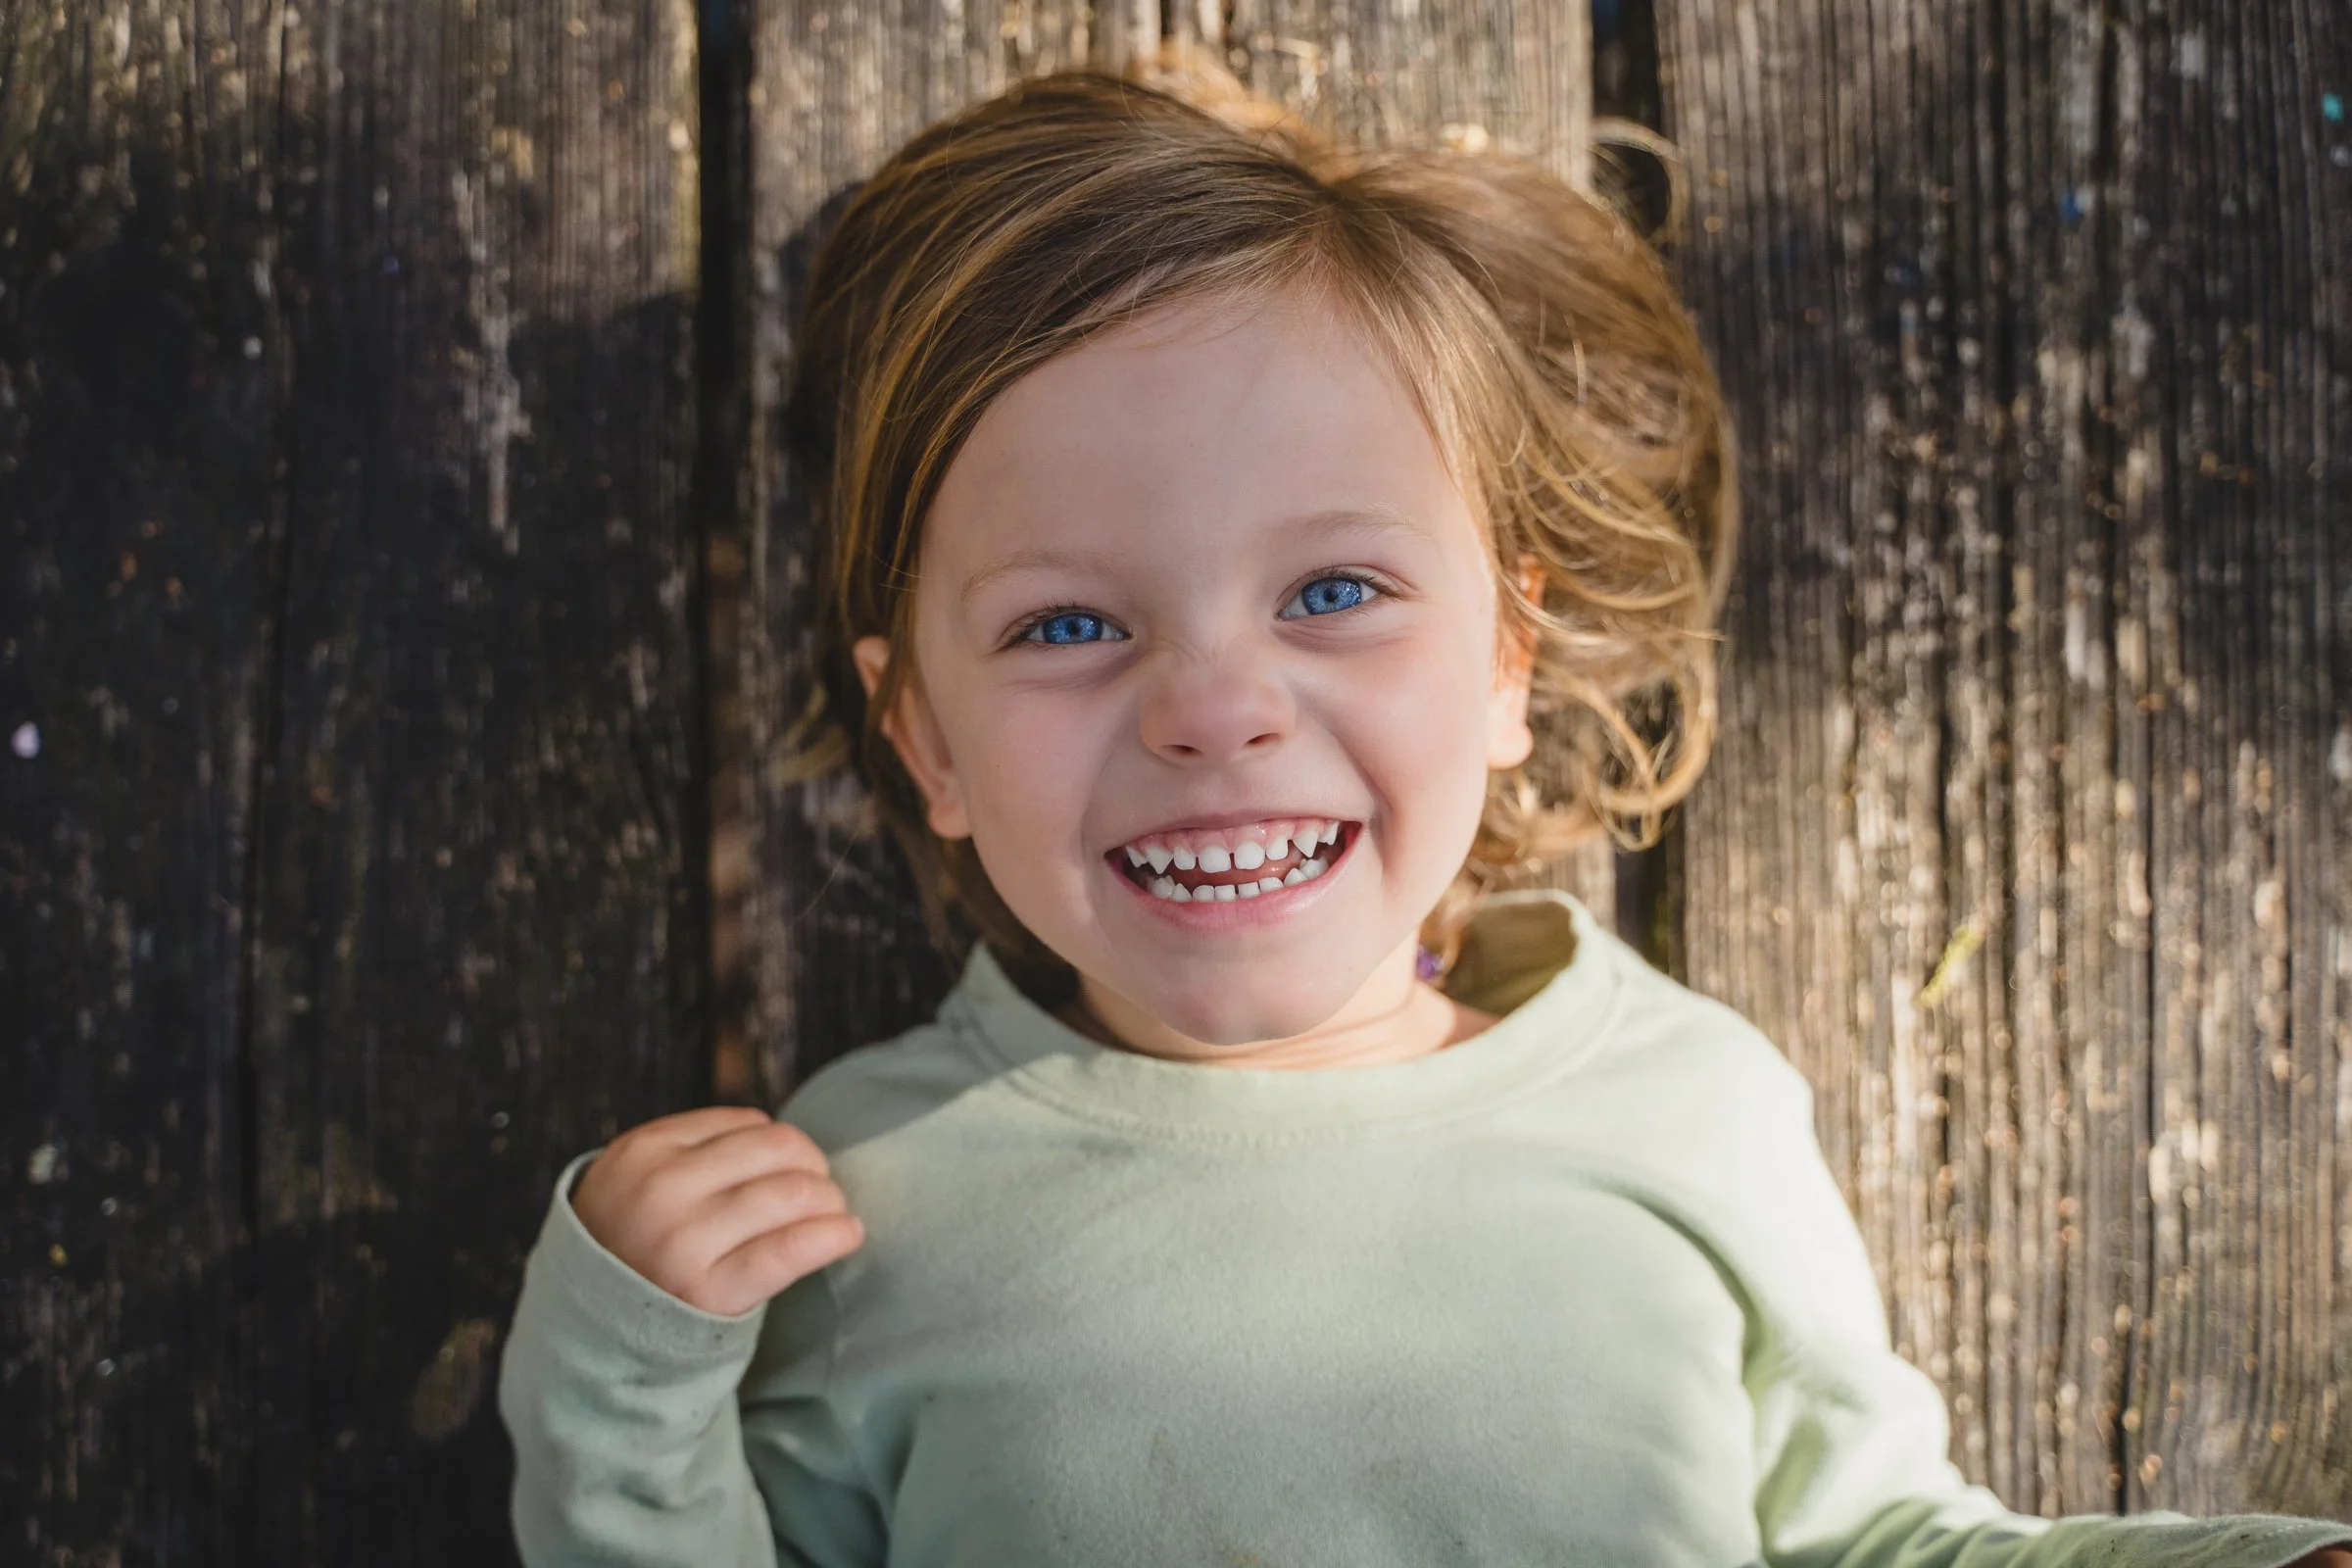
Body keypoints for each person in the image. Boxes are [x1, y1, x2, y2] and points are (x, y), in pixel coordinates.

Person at [496, 42, 2352, 1568]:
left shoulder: (1688, 1109)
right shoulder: (863, 1193)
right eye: (1068, 622)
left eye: (1330, 593)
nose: (1216, 709)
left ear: (1506, 657)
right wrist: (622, 1385)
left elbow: (1884, 1541)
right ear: (926, 740)